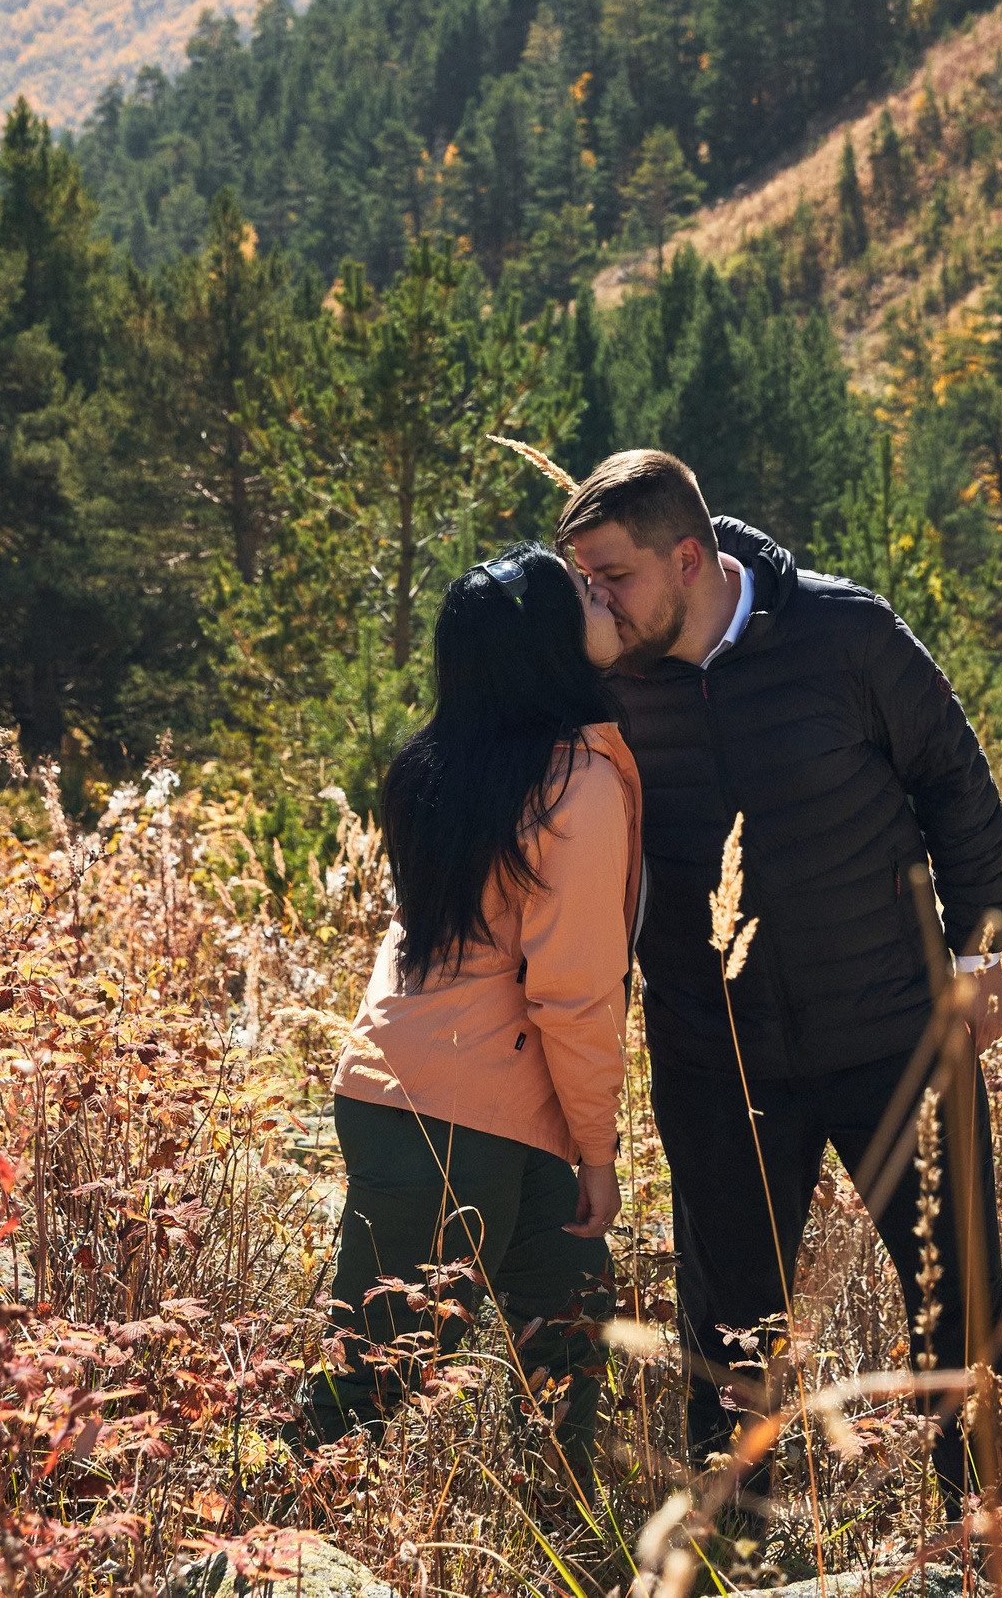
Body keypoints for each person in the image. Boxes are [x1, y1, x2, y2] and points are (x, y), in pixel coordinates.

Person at [557, 451, 1002, 1526]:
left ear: (689, 557)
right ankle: (736, 1548)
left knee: (959, 1299)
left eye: (612, 575)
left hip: (895, 1037)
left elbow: (954, 779)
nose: (597, 601)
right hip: (714, 1056)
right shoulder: (600, 675)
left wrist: (977, 951)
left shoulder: (844, 635)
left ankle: (992, 1538)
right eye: (581, 580)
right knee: (730, 1330)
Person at [299, 541, 638, 1484]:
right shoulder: (575, 786)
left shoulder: (439, 767)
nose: (599, 592)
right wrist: (597, 1153)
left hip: (418, 1094)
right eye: (580, 590)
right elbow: (573, 992)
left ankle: (564, 1534)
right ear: (546, 644)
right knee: (370, 1381)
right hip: (458, 1114)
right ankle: (275, 1563)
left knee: (569, 1324)